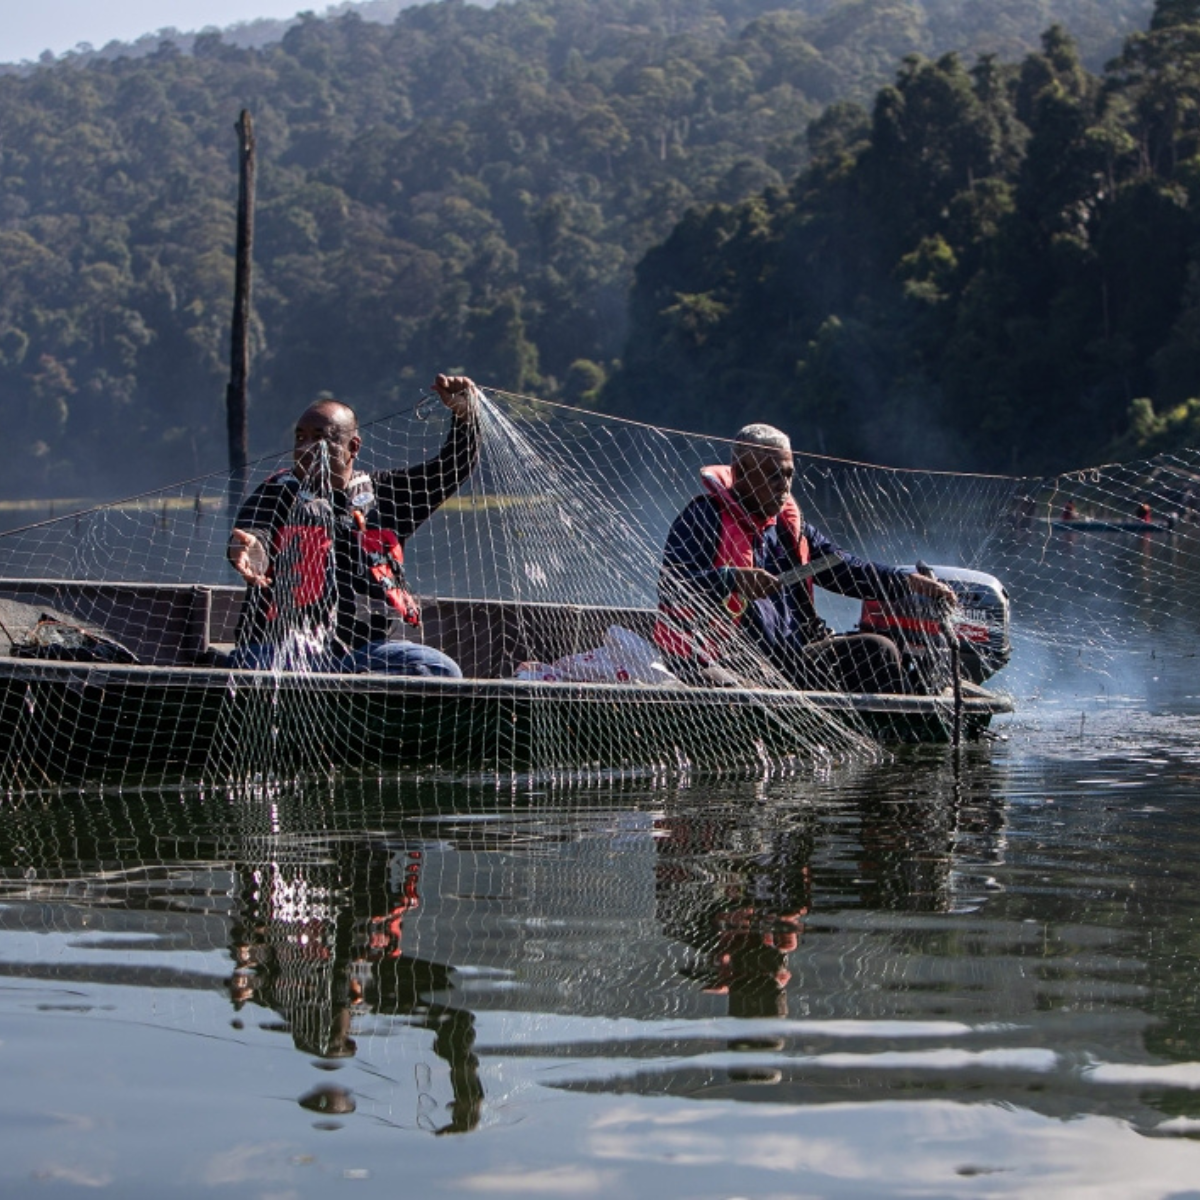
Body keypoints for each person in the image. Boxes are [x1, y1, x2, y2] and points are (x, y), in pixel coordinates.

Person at [654, 423, 957, 693]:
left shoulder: (790, 530)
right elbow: (673, 584)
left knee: (882, 649)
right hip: (732, 658)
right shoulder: (702, 518)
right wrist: (732, 579)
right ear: (741, 473)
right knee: (874, 650)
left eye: (788, 475)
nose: (783, 487)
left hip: (794, 660)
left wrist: (908, 583)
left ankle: (901, 734)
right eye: (773, 476)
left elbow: (845, 569)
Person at [227, 373, 480, 675]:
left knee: (439, 669)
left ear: (353, 446)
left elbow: (452, 467)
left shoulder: (388, 494)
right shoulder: (276, 492)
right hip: (285, 647)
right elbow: (256, 529)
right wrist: (251, 547)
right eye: (299, 437)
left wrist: (465, 417)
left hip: (367, 651)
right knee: (255, 666)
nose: (306, 447)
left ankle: (360, 694)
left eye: (320, 438)